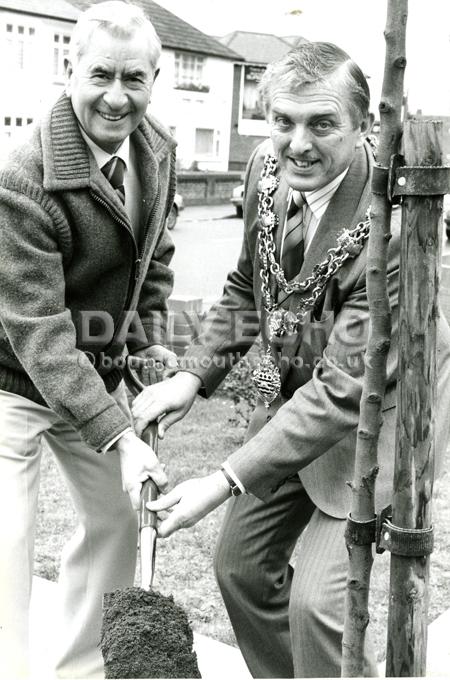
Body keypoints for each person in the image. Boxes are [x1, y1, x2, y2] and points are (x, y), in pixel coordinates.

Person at [132, 42, 450, 678]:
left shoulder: (394, 224)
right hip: (288, 408)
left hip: (373, 422)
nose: (297, 143)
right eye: (283, 121)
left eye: (322, 124)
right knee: (240, 571)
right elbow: (249, 287)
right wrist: (193, 377)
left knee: (317, 608)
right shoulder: (264, 171)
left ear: (364, 126)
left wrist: (223, 481)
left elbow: (342, 389)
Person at [0, 2, 178, 677]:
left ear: (154, 78)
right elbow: (39, 332)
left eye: (135, 78)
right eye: (100, 73)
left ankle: (79, 669)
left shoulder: (157, 148)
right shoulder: (21, 176)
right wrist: (120, 433)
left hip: (91, 380)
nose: (116, 95)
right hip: (10, 378)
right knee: (6, 541)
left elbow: (153, 259)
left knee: (119, 521)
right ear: (69, 69)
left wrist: (144, 345)